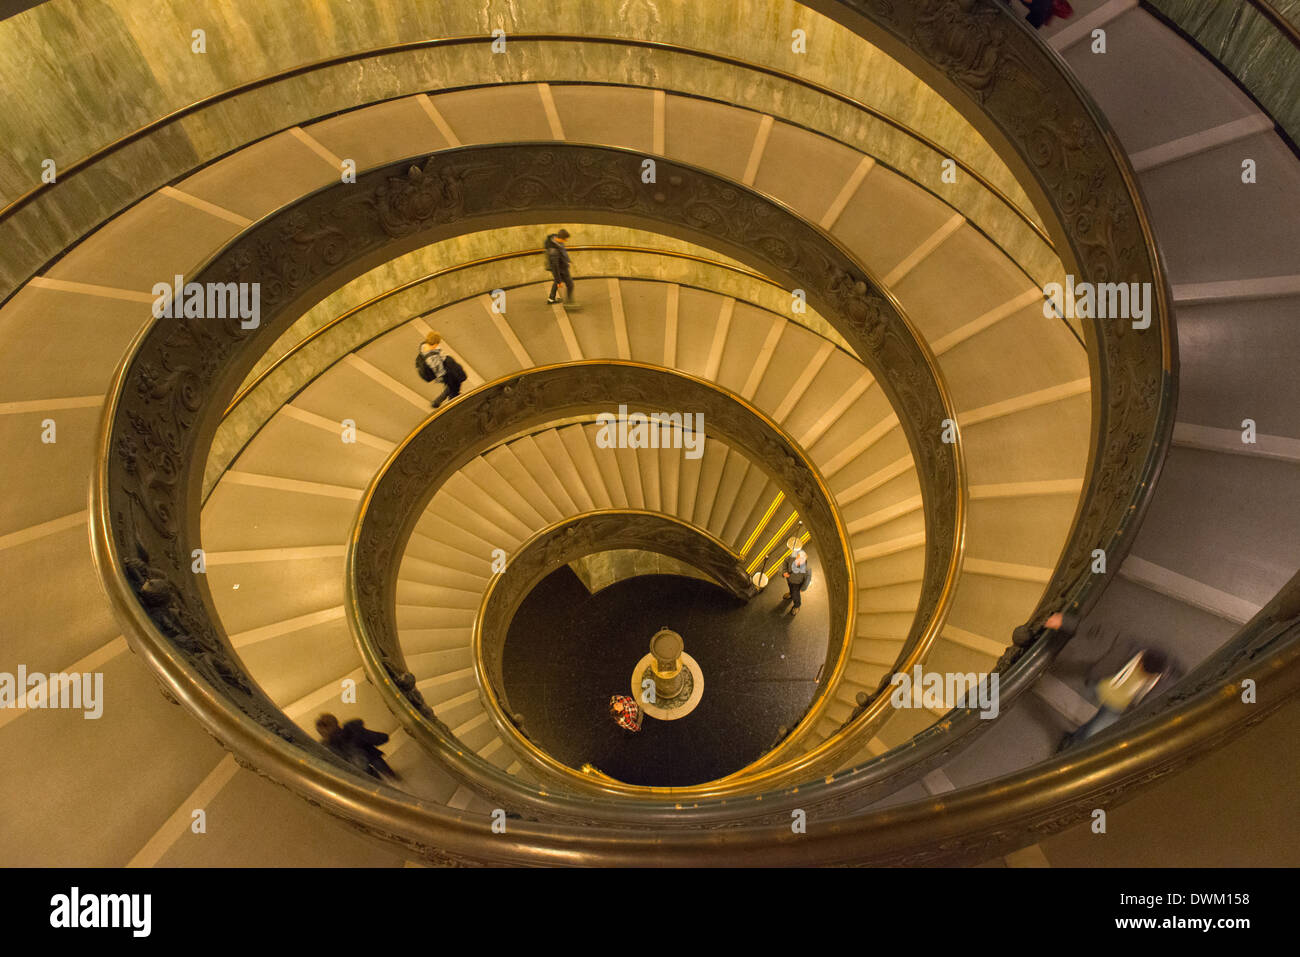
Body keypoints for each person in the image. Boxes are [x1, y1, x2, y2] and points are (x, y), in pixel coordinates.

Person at [1058, 649, 1169, 751]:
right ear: (1141, 661)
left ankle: (1072, 741)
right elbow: (1108, 663)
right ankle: (1073, 742)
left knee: (1092, 730)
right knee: (1093, 728)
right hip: (1104, 693)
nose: (1144, 674)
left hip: (1115, 705)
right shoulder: (1131, 654)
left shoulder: (1157, 678)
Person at [316, 713, 400, 780]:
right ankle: (393, 780)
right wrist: (384, 737)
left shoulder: (327, 749)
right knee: (385, 773)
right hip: (371, 762)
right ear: (337, 724)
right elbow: (375, 737)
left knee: (377, 783)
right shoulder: (353, 730)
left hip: (359, 774)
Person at [418, 331, 465, 409]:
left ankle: (442, 400)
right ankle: (442, 400)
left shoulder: (424, 346)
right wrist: (443, 377)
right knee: (454, 383)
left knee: (453, 384)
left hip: (446, 369)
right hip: (446, 372)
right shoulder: (432, 357)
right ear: (435, 343)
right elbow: (438, 370)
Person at [544, 229, 574, 304]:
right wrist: (558, 281)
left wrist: (567, 260)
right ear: (561, 238)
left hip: (562, 266)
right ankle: (569, 302)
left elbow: (563, 251)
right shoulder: (553, 251)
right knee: (570, 284)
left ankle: (551, 299)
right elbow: (555, 267)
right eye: (565, 239)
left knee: (557, 281)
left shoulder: (557, 241)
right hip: (561, 268)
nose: (566, 241)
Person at [781, 549, 813, 615]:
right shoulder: (792, 557)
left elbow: (808, 580)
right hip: (789, 579)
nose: (797, 562)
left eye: (800, 561)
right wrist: (784, 571)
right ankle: (790, 594)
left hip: (797, 584)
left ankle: (797, 606)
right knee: (791, 589)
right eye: (797, 559)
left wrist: (802, 589)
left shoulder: (807, 569)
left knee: (796, 595)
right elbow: (785, 561)